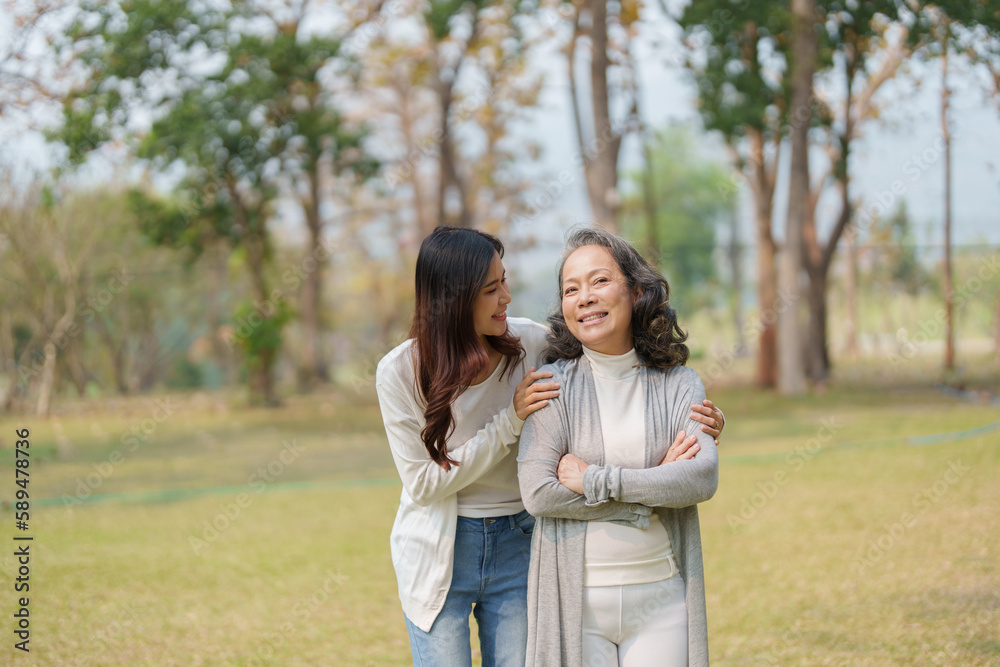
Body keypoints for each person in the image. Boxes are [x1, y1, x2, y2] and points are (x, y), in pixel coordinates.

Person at [376, 226, 725, 667]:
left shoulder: (533, 346)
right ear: (455, 299)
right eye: (490, 288)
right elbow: (432, 484)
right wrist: (511, 420)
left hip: (520, 541)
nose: (506, 296)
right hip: (440, 546)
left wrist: (703, 419)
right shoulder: (400, 372)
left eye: (504, 280)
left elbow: (615, 363)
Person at [517, 227, 720, 667]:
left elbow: (700, 478)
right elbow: (538, 492)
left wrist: (593, 479)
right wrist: (645, 493)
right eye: (571, 289)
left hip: (662, 600)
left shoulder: (680, 383)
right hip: (576, 607)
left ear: (637, 291)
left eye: (599, 281)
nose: (584, 297)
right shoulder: (551, 385)